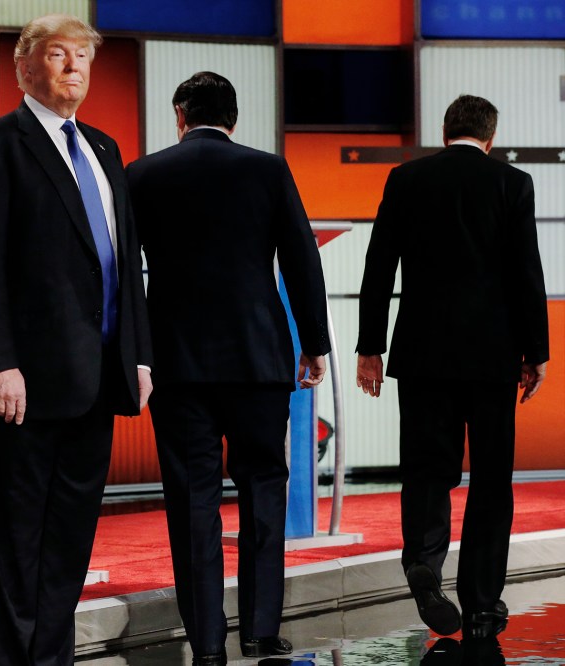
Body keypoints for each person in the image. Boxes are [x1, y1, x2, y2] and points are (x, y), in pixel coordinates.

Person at [0, 14, 153, 666]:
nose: (73, 67)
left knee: (67, 543)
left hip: (95, 378)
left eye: (83, 57)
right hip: (20, 387)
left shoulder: (105, 148)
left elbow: (124, 264)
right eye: (58, 55)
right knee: (13, 548)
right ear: (24, 67)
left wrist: (139, 353)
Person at [126, 71, 330, 663]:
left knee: (192, 500)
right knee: (264, 486)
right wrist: (313, 343)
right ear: (234, 119)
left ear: (180, 115)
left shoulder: (142, 173)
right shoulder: (267, 169)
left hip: (176, 363)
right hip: (257, 359)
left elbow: (120, 272)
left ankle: (208, 643)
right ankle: (262, 629)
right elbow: (300, 259)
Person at [356, 94, 548, 640]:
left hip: (421, 355)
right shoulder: (512, 184)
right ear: (490, 137)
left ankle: (423, 560)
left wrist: (370, 347)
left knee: (425, 468)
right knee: (492, 480)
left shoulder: (406, 179)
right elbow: (525, 273)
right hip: (491, 358)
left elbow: (379, 265)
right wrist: (536, 352)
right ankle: (483, 602)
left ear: (446, 132)